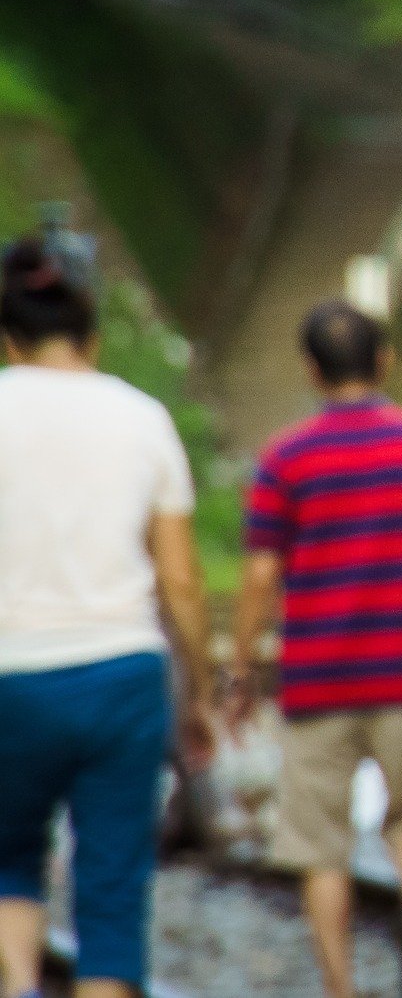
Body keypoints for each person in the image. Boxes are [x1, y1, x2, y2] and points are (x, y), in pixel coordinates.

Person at [0, 237, 215, 998]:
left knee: (8, 861)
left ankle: (19, 984)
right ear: (91, 325)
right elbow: (182, 582)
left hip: (11, 674)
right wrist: (198, 695)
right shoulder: (143, 418)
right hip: (121, 671)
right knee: (113, 891)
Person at [229, 301, 402, 998]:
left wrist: (241, 663)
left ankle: (340, 986)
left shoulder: (286, 457)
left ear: (311, 369)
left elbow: (263, 573)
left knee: (320, 841)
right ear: (382, 359)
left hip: (318, 677)